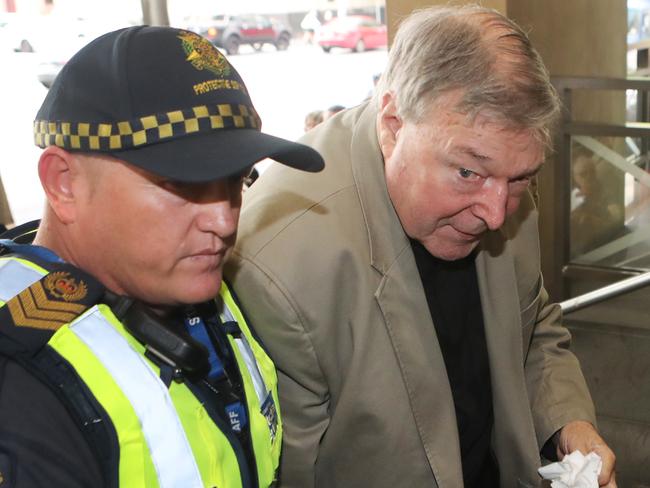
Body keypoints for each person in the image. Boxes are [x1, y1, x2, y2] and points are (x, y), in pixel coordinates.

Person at [225, 5, 616, 488]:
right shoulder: (281, 265)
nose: (497, 214)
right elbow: (290, 477)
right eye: (467, 173)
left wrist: (568, 423)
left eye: (520, 179)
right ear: (393, 125)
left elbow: (533, 329)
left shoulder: (501, 177)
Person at [0, 26, 323, 487]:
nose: (225, 221)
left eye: (236, 181)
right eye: (183, 184)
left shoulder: (188, 282)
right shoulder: (19, 388)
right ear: (64, 183)